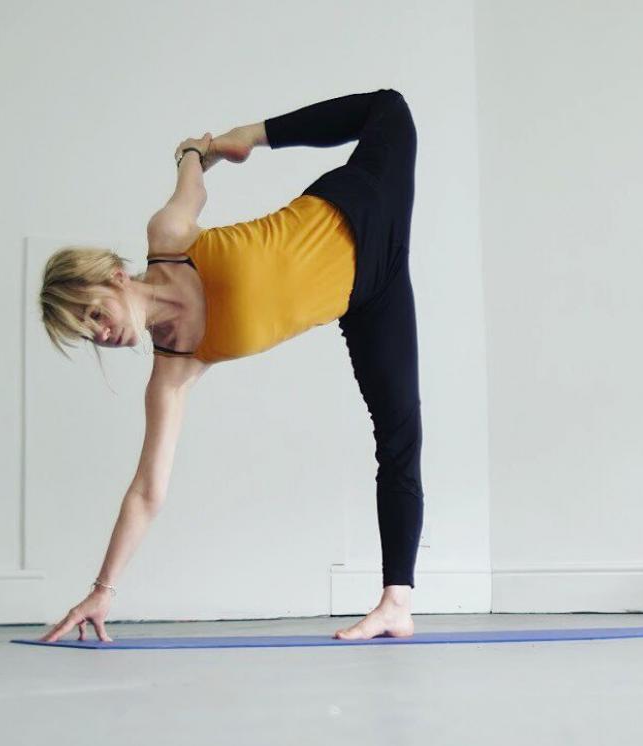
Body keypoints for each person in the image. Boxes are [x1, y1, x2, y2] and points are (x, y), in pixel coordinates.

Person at [36, 89, 423, 643]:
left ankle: (258, 128)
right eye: (88, 334)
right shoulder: (173, 371)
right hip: (370, 295)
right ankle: (396, 603)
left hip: (360, 203)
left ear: (115, 275)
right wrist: (103, 589)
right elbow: (148, 491)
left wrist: (213, 147)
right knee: (400, 432)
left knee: (389, 107)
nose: (102, 332)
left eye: (94, 312)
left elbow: (191, 173)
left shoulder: (170, 238)